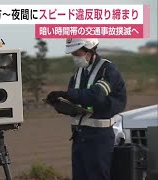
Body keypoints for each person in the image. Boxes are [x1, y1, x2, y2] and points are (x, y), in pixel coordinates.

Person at [46, 38, 127, 180]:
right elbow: (77, 100)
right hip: (79, 137)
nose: (75, 58)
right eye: (72, 54)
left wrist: (66, 94)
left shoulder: (107, 70)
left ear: (89, 50)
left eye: (77, 53)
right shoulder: (79, 73)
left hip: (98, 138)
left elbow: (95, 96)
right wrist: (61, 104)